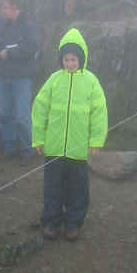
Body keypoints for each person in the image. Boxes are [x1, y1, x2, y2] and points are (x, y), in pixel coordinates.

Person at [32, 28, 108, 241]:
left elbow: (99, 113)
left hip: (78, 150)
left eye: (74, 59)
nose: (70, 63)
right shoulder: (54, 80)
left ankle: (73, 223)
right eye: (66, 59)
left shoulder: (91, 82)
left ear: (81, 58)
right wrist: (38, 138)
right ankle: (51, 222)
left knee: (77, 189)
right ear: (61, 59)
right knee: (52, 188)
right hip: (54, 148)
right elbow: (39, 108)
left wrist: (96, 141)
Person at [0, 0, 39, 162]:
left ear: (15, 8)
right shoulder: (4, 26)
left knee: (22, 116)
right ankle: (10, 148)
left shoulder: (29, 26)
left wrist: (9, 52)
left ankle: (29, 151)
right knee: (6, 114)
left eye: (5, 7)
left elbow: (31, 48)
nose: (2, 11)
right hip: (4, 76)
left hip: (22, 78)